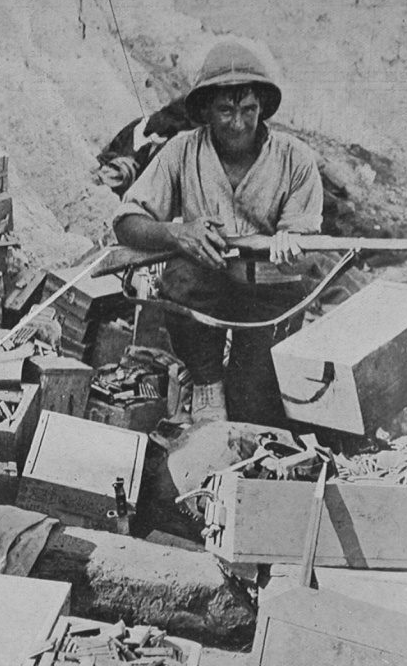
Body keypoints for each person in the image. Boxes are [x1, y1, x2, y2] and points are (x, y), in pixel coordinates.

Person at [113, 40, 324, 426]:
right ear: (207, 110)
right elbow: (127, 221)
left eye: (249, 109)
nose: (239, 123)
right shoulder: (181, 150)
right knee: (180, 275)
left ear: (261, 108)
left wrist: (290, 243)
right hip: (204, 293)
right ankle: (206, 379)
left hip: (267, 298)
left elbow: (307, 248)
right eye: (226, 110)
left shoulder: (296, 159)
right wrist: (178, 234)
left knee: (252, 412)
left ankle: (249, 386)